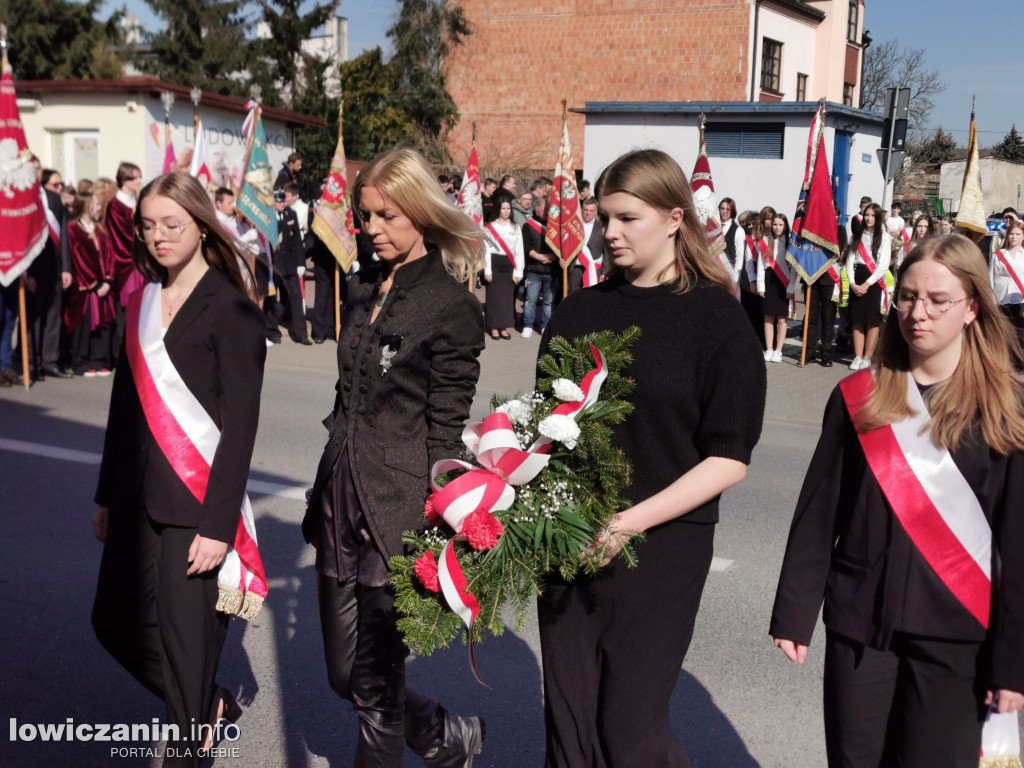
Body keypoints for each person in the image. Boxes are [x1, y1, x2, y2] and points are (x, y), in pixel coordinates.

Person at [536, 148, 765, 768]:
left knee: (629, 731)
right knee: (570, 725)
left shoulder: (718, 318)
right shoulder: (579, 310)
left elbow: (728, 458)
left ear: (673, 218)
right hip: (568, 537)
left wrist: (627, 523)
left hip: (663, 548)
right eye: (602, 217)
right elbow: (544, 427)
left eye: (625, 218)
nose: (608, 232)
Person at [770, 234, 1024, 767]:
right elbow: (820, 512)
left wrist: (1012, 664)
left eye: (937, 300)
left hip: (959, 637)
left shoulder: (1008, 411)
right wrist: (795, 611)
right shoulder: (857, 397)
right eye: (907, 296)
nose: (918, 313)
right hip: (861, 627)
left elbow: (1018, 546)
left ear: (973, 308)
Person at [301, 148, 487, 768]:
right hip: (339, 502)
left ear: (420, 212)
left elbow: (445, 426)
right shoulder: (358, 290)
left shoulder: (452, 305)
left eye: (386, 215)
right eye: (366, 215)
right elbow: (343, 400)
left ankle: (432, 737)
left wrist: (442, 513)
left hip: (397, 515)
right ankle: (443, 736)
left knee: (377, 698)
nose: (372, 228)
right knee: (342, 676)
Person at [91, 172, 266, 767]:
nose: (159, 236)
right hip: (137, 497)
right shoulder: (140, 300)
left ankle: (192, 740)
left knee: (186, 648)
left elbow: (240, 429)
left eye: (172, 224)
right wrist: (106, 496)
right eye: (148, 225)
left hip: (194, 507)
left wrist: (218, 526)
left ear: (199, 224)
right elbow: (123, 408)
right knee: (112, 620)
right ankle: (208, 704)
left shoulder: (232, 310)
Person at [26, 166, 73, 379]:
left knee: (54, 316)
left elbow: (63, 234)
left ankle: (50, 361)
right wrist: (24, 273)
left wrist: (66, 268)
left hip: (54, 266)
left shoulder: (54, 199)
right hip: (33, 268)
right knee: (34, 316)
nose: (35, 172)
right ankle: (32, 361)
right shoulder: (24, 198)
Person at [65, 191, 116, 376]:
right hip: (85, 288)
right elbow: (79, 259)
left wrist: (109, 280)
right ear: (87, 207)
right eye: (96, 204)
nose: (100, 207)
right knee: (85, 326)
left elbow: (111, 254)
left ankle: (100, 359)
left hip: (104, 285)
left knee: (103, 326)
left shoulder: (100, 228)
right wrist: (94, 284)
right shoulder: (73, 229)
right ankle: (81, 361)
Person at [846, 203, 891, 370]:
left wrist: (867, 284)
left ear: (877, 217)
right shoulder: (856, 236)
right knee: (857, 320)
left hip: (873, 282)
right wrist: (852, 282)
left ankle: (867, 356)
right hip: (857, 278)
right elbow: (850, 261)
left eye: (872, 215)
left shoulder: (884, 237)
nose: (869, 218)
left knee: (872, 321)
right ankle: (857, 356)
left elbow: (883, 266)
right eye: (866, 215)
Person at [106, 162, 144, 365]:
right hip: (127, 265)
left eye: (140, 177)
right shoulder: (116, 205)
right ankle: (121, 357)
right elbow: (120, 238)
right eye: (135, 177)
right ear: (124, 180)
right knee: (126, 312)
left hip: (141, 264)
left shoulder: (137, 202)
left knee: (140, 312)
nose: (139, 181)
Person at [267, 187, 311, 344]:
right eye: (279, 201)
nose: (282, 204)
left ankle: (301, 334)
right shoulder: (268, 216)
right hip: (274, 263)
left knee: (297, 298)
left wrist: (301, 263)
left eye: (284, 201)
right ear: (273, 202)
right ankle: (272, 331)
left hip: (291, 264)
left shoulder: (290, 214)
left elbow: (297, 240)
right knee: (271, 298)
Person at [482, 188, 524, 339]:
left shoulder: (515, 227)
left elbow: (519, 250)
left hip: (509, 265)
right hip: (494, 263)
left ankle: (503, 327)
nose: (506, 211)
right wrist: (487, 270)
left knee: (507, 298)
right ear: (498, 209)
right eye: (503, 208)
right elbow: (486, 249)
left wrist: (519, 271)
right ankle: (493, 327)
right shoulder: (490, 227)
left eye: (508, 208)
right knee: (494, 297)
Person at [757, 213, 796, 363]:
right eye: (775, 224)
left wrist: (791, 287)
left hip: (783, 282)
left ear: (785, 226)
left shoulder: (790, 243)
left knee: (781, 318)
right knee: (768, 317)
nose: (777, 227)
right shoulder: (765, 241)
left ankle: (778, 350)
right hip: (769, 280)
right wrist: (761, 285)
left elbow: (793, 268)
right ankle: (769, 349)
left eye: (780, 224)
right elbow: (761, 265)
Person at [520, 195, 555, 339]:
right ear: (538, 209)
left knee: (548, 301)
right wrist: (540, 257)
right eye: (545, 210)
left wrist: (552, 256)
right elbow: (526, 246)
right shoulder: (528, 225)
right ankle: (527, 325)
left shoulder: (554, 226)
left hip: (551, 269)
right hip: (534, 269)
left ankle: (545, 325)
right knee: (530, 300)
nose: (548, 213)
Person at [990, 218, 1024, 343]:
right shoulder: (997, 255)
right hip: (1001, 301)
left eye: (1018, 234)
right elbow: (991, 280)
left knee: (1019, 338)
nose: (1014, 237)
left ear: (1023, 237)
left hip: (1020, 301)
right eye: (1011, 233)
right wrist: (991, 303)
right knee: (1002, 338)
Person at [719, 197, 745, 293]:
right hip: (715, 275)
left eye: (728, 209)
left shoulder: (738, 231)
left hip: (731, 277)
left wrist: (735, 278)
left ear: (732, 211)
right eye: (722, 208)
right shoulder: (713, 228)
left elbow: (740, 256)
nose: (724, 211)